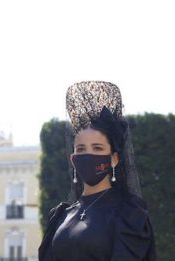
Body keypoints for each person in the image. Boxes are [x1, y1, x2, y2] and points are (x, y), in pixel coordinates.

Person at [38, 81, 156, 260]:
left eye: (98, 148)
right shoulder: (61, 215)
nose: (88, 155)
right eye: (81, 149)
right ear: (73, 159)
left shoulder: (129, 216)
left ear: (114, 159)